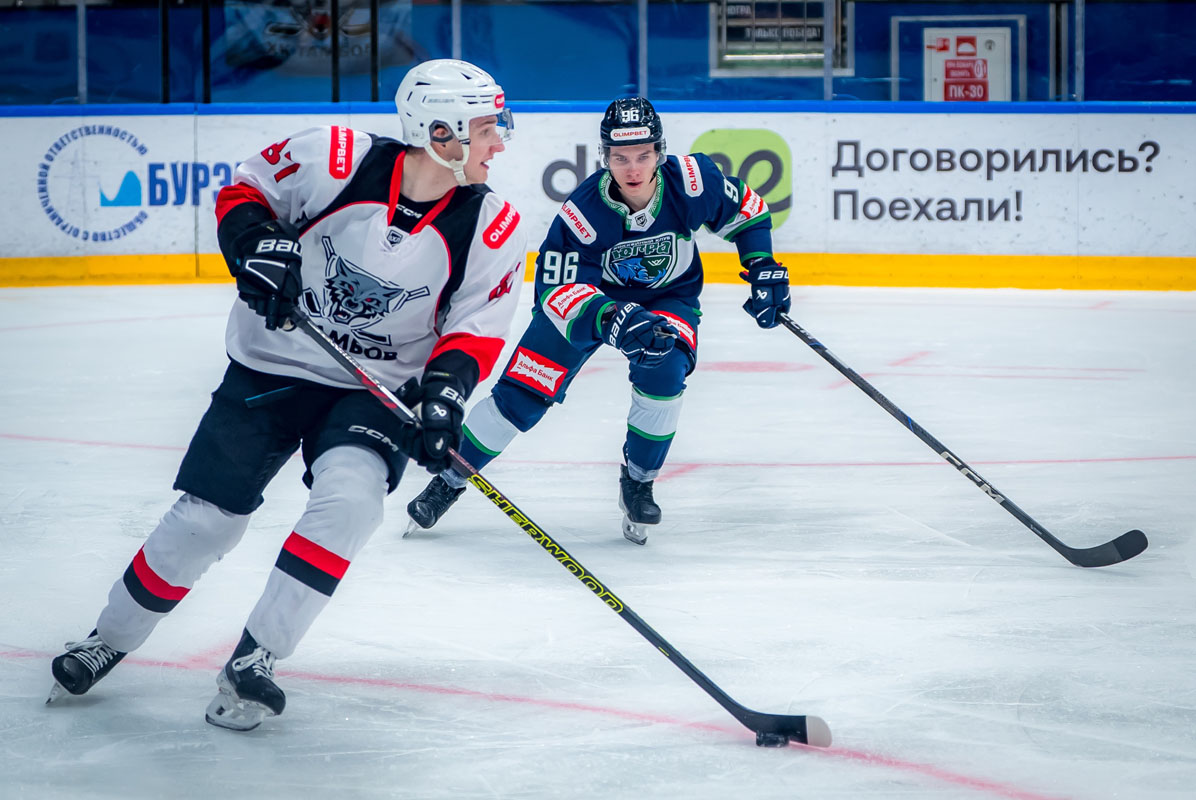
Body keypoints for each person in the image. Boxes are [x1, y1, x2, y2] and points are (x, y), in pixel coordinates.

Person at [47, 59, 527, 731]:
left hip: (374, 391)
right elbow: (244, 193)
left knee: (351, 503)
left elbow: (474, 331)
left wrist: (444, 398)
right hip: (271, 365)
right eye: (486, 129)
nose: (499, 143)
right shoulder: (333, 158)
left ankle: (256, 658)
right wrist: (256, 246)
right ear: (439, 133)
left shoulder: (492, 225)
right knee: (207, 520)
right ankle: (109, 638)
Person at [405, 95, 790, 545]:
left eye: (643, 155)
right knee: (521, 395)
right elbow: (555, 294)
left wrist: (762, 265)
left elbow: (746, 209)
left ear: (660, 152)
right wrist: (610, 316)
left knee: (665, 368)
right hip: (590, 307)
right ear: (605, 156)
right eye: (621, 157)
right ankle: (449, 479)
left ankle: (638, 482)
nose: (633, 169)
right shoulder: (582, 214)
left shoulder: (692, 181)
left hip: (668, 298)